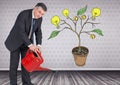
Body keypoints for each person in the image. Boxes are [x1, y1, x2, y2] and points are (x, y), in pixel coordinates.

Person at [4, 3, 47, 85]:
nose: (40, 15)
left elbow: (38, 32)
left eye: (42, 14)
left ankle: (26, 83)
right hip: (15, 42)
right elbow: (21, 32)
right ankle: (13, 83)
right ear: (34, 8)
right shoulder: (23, 14)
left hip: (26, 44)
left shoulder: (39, 19)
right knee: (14, 65)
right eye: (39, 12)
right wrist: (30, 45)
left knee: (27, 65)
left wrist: (38, 45)